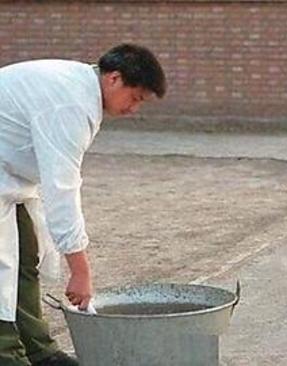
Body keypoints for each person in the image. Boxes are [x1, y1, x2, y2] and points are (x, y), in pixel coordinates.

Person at [0, 44, 166, 366]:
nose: (134, 109)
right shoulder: (69, 104)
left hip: (8, 177)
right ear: (114, 79)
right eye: (135, 98)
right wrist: (80, 271)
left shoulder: (80, 87)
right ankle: (6, 355)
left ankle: (38, 350)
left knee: (23, 255)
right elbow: (61, 190)